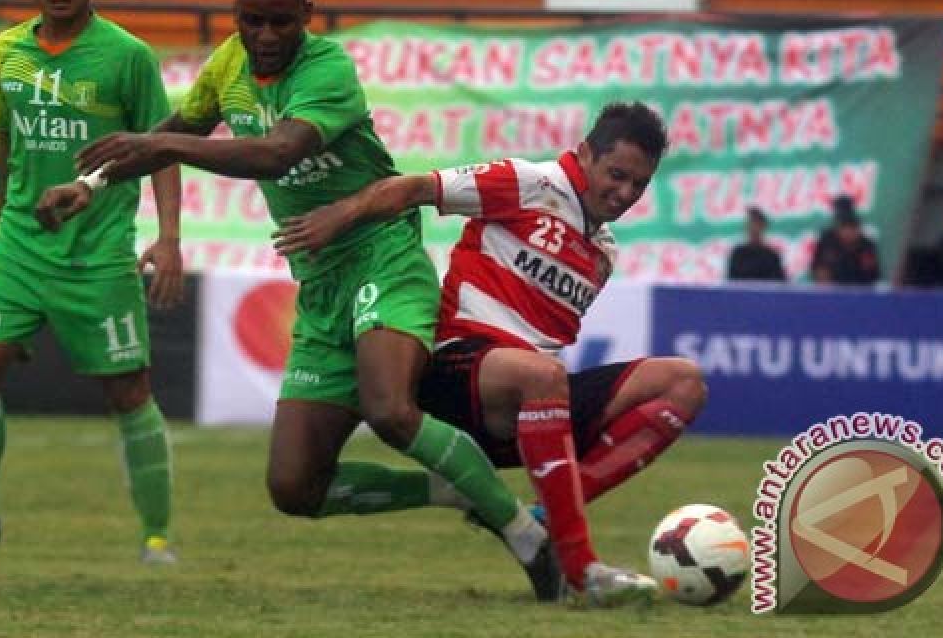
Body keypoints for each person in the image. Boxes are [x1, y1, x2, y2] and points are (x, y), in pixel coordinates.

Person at [35, 0, 560, 600]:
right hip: (320, 289)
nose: (264, 36)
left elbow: (278, 154)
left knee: (390, 409)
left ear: (306, 16)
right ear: (236, 16)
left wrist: (162, 147)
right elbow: (175, 130)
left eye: (280, 21)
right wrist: (89, 183)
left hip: (383, 257)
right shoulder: (227, 65)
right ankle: (454, 487)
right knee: (294, 487)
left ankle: (530, 539)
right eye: (251, 20)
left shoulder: (328, 69)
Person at [273, 102, 708, 606]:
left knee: (684, 381)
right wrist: (338, 216)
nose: (625, 193)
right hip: (458, 368)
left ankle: (542, 517)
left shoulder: (604, 252)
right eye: (617, 175)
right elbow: (414, 188)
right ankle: (581, 570)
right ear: (585, 154)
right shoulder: (529, 183)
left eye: (640, 185)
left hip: (524, 401)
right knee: (543, 376)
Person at [0, 0, 183, 565]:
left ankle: (156, 538)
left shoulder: (127, 56)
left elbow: (163, 150)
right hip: (19, 243)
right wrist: (7, 207)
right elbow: (6, 134)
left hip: (97, 253)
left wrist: (168, 238)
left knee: (128, 391)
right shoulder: (8, 49)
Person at [809, 195, 880, 285]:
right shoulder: (827, 240)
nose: (847, 232)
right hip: (831, 292)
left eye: (851, 228)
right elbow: (817, 268)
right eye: (844, 227)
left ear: (857, 229)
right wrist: (822, 276)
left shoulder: (866, 244)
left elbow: (873, 275)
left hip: (859, 292)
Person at [727, 206, 787, 282]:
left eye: (756, 224)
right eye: (750, 223)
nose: (753, 227)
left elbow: (781, 285)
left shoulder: (772, 256)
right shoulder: (738, 254)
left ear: (763, 226)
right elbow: (731, 283)